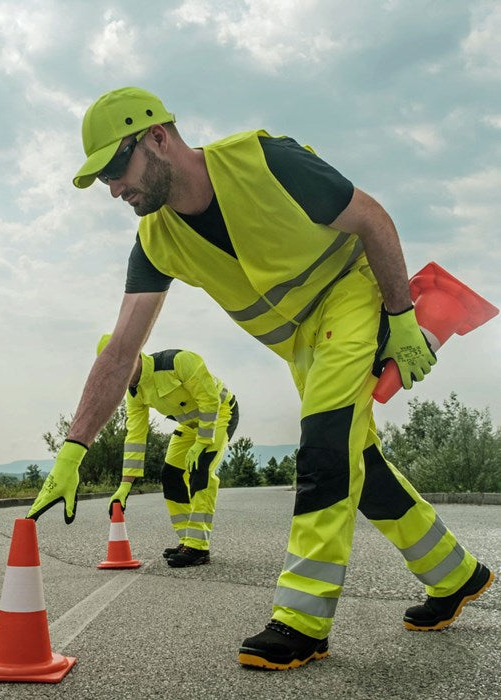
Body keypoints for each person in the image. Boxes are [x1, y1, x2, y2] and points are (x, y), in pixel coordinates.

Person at [28, 87, 495, 670]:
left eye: (118, 168)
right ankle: (455, 574)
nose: (116, 188)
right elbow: (122, 348)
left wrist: (400, 319)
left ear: (157, 137)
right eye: (104, 181)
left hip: (352, 302)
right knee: (360, 464)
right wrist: (74, 448)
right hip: (303, 347)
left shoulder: (264, 160)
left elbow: (372, 218)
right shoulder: (155, 241)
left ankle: (302, 621)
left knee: (324, 448)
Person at [98, 334, 239, 567]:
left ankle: (198, 547)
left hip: (219, 415)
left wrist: (202, 442)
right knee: (171, 475)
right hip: (190, 425)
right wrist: (125, 485)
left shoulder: (178, 362)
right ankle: (187, 540)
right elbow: (135, 437)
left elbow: (210, 400)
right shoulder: (134, 393)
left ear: (134, 355)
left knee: (201, 470)